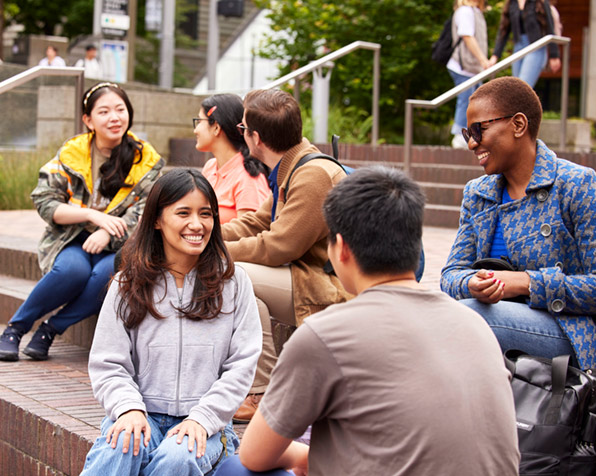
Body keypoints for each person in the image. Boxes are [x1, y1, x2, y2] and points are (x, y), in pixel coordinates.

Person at [214, 166, 520, 476]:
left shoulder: (325, 335)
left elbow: (254, 455)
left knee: (234, 470)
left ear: (341, 248)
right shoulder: (475, 324)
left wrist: (305, 457)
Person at [80, 168, 262, 475]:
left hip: (207, 423)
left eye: (206, 214)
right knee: (119, 447)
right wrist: (128, 408)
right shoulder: (128, 283)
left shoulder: (234, 283)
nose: (196, 224)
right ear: (156, 220)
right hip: (142, 413)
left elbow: (242, 367)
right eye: (183, 213)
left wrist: (202, 419)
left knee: (177, 458)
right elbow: (108, 363)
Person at [441, 76, 596, 370]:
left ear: (518, 125)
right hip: (489, 314)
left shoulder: (576, 184)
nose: (472, 143)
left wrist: (527, 283)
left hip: (567, 330)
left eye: (480, 130)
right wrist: (472, 283)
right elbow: (450, 274)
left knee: (469, 320)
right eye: (467, 133)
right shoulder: (478, 193)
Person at [0, 82, 164, 362]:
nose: (114, 118)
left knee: (105, 278)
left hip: (121, 246)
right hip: (71, 239)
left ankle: (50, 330)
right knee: (70, 272)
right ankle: (15, 328)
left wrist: (107, 233)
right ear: (88, 120)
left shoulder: (146, 161)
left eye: (120, 110)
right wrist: (91, 215)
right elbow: (45, 201)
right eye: (104, 112)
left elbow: (146, 215)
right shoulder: (71, 155)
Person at [221, 89, 353, 422]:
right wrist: (204, 236)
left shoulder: (313, 175)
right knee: (245, 289)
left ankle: (261, 393)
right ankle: (259, 388)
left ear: (256, 138)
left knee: (239, 275)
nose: (242, 134)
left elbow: (280, 246)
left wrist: (213, 253)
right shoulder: (294, 164)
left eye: (242, 129)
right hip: (304, 276)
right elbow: (256, 221)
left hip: (330, 287)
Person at [195, 94, 270, 224]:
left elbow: (250, 234)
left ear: (216, 127)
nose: (195, 130)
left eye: (199, 121)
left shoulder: (248, 177)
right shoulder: (210, 167)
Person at [447, 0, 490, 149]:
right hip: (462, 65)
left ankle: (469, 135)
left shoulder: (476, 12)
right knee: (467, 98)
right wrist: (483, 60)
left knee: (475, 100)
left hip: (473, 68)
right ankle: (459, 136)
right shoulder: (465, 11)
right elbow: (467, 36)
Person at [490, 0, 561, 88]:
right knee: (515, 86)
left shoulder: (540, 2)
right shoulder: (512, 3)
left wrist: (554, 55)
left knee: (522, 87)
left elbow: (550, 28)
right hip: (518, 47)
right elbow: (504, 30)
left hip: (536, 47)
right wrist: (495, 55)